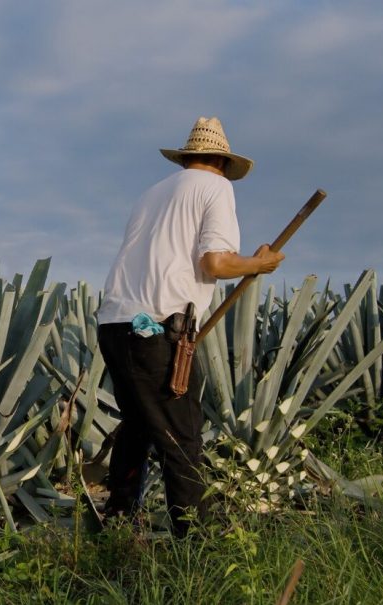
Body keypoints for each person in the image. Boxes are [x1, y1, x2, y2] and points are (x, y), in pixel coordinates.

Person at [96, 116, 285, 537]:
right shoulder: (216, 187)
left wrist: (251, 263)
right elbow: (215, 263)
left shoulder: (151, 195)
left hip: (114, 323)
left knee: (139, 424)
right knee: (181, 437)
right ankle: (195, 541)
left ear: (188, 158)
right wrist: (260, 264)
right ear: (221, 160)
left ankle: (120, 522)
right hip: (159, 327)